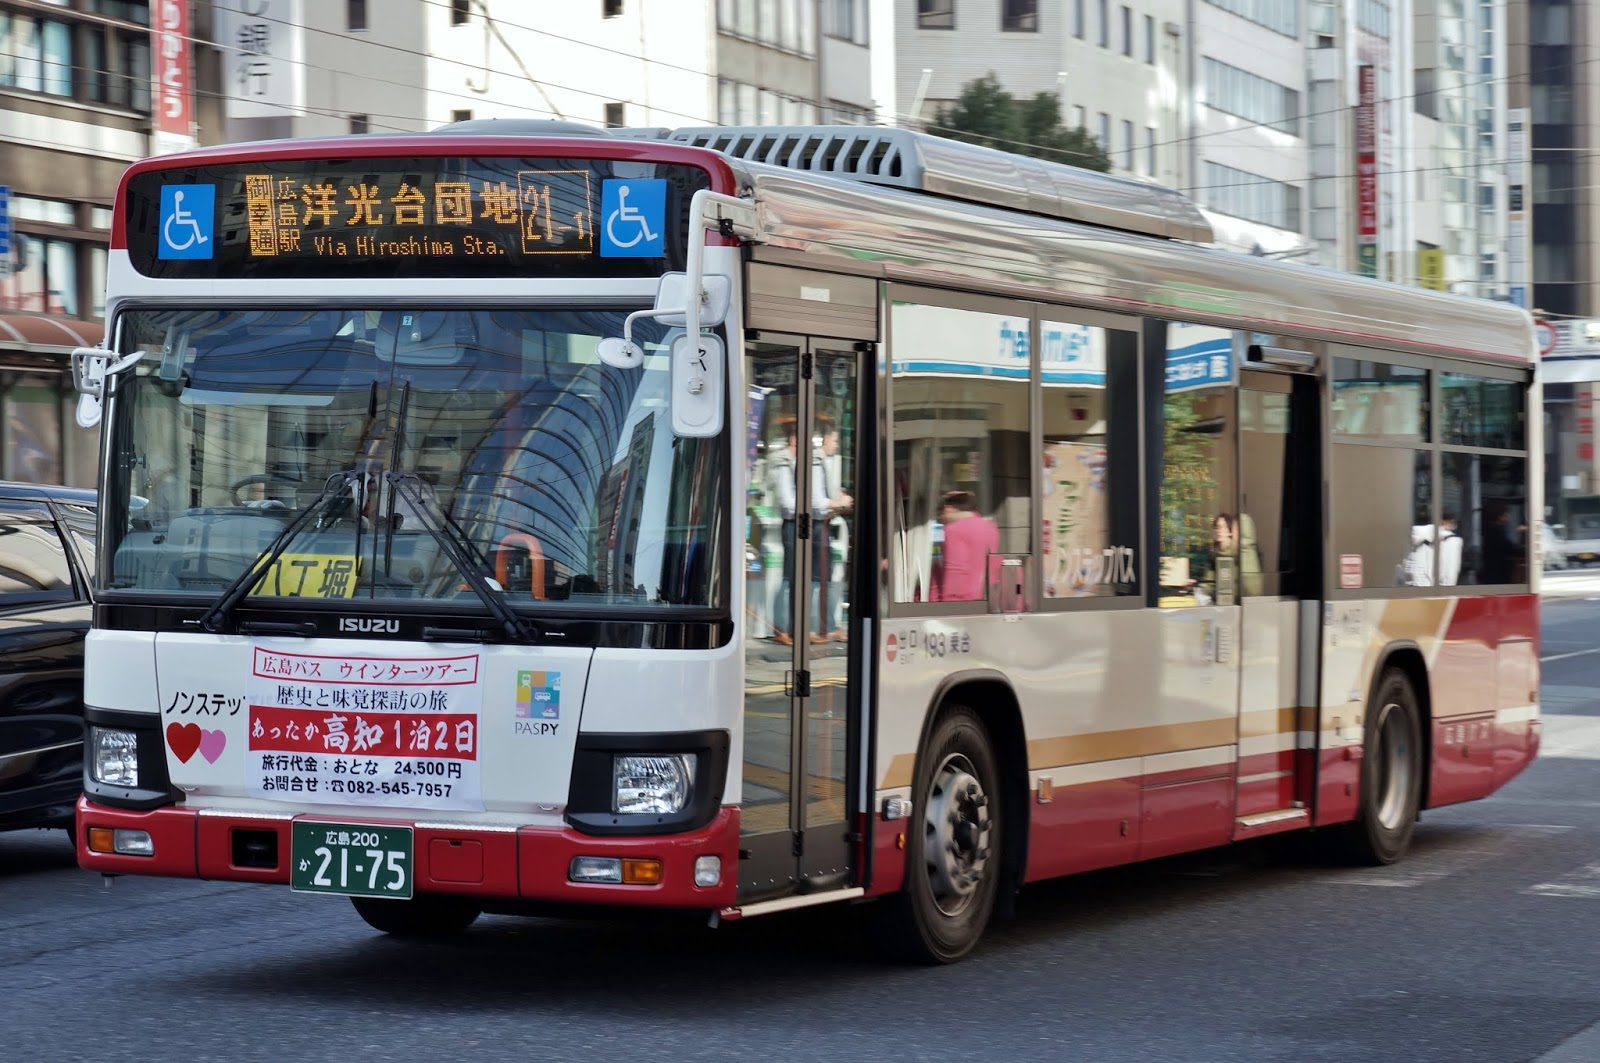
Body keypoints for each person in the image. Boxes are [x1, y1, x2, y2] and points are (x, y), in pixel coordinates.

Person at [930, 490, 998, 603]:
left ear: (948, 508)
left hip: (959, 603)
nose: (941, 519)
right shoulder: (991, 528)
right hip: (987, 599)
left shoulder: (953, 530)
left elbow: (955, 572)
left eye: (941, 513)